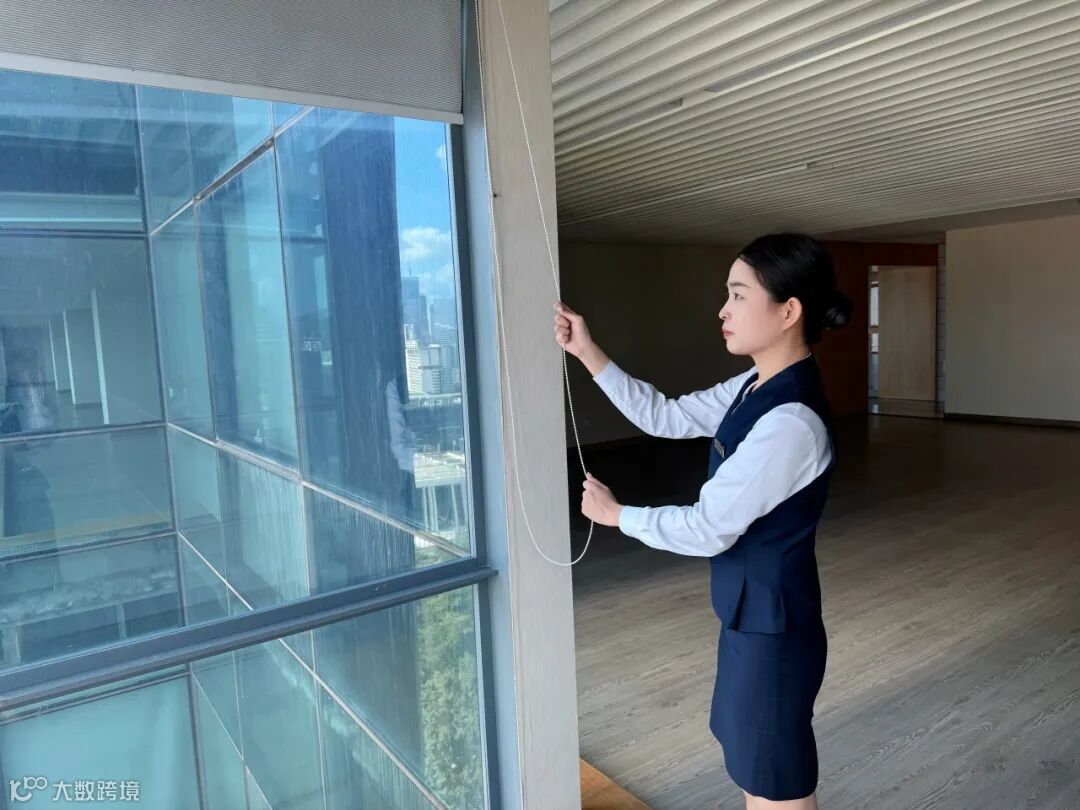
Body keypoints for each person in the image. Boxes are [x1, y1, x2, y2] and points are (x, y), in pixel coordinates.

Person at [554, 233, 852, 809]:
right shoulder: (754, 385)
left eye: (738, 295)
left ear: (788, 311)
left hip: (774, 631)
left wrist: (618, 516)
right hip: (752, 620)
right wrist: (587, 351)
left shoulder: (790, 421)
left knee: (776, 785)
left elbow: (709, 527)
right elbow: (664, 416)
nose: (723, 310)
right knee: (755, 769)